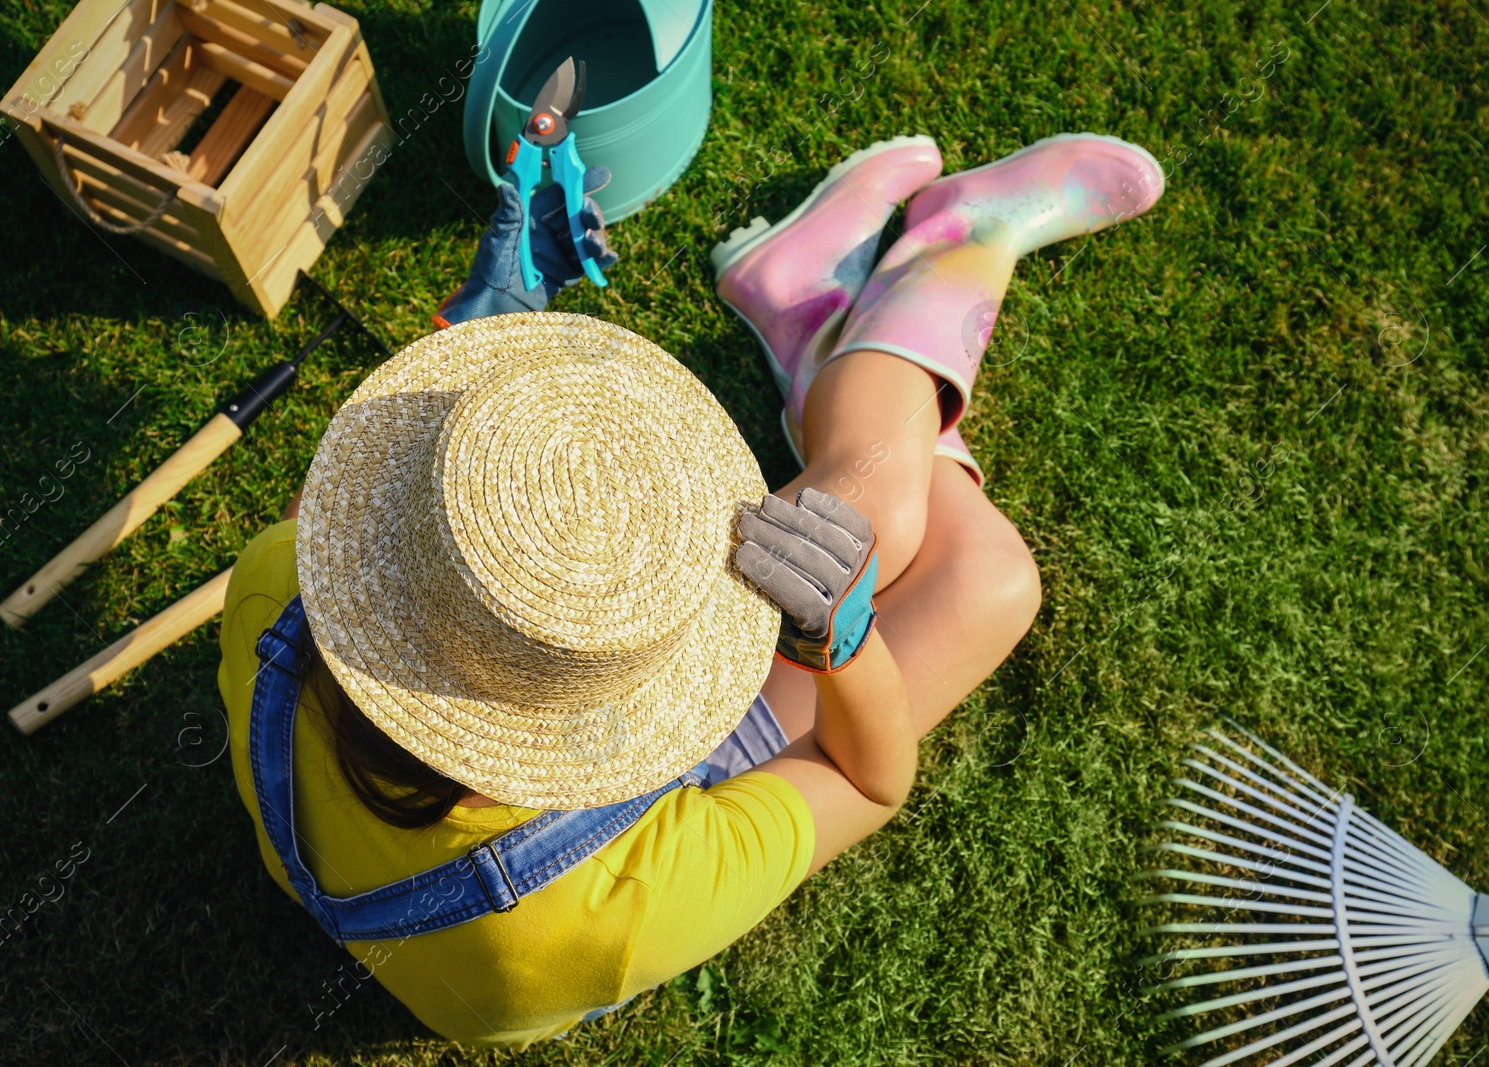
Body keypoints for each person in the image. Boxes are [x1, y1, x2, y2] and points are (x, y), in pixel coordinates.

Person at [216, 132, 1163, 1047]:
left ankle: (851, 290)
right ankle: (917, 259)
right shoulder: (627, 902)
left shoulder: (272, 593)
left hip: (435, 884)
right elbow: (866, 780)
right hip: (560, 889)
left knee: (912, 527)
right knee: (969, 564)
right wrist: (841, 639)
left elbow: (320, 519)